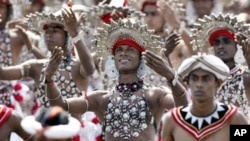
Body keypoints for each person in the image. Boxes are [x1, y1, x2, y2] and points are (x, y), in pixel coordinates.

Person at [45, 18, 188, 141]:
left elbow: (183, 109)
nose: (124, 53)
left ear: (141, 59)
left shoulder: (154, 95)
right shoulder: (101, 99)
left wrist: (170, 76)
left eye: (130, 49)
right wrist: (49, 79)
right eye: (119, 50)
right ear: (113, 60)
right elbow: (60, 105)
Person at [0, 5, 95, 116]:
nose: (49, 34)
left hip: (75, 131)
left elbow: (90, 69)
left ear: (67, 37)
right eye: (47, 31)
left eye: (55, 31)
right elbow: (3, 74)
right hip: (44, 130)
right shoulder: (36, 66)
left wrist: (75, 34)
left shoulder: (77, 66)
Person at [150, 53, 249, 141]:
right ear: (187, 82)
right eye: (194, 79)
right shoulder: (172, 120)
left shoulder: (234, 118)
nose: (199, 84)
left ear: (218, 83)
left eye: (206, 79)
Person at [191, 13, 250, 118]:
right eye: (216, 43)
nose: (220, 46)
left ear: (237, 46)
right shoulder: (206, 78)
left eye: (226, 41)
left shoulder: (245, 77)